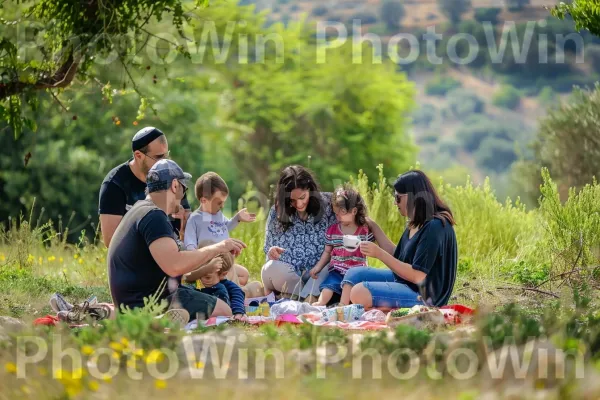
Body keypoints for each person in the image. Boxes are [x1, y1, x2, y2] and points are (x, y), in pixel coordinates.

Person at [107, 159, 246, 322]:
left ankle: (135, 317)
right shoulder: (154, 216)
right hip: (150, 301)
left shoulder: (139, 209)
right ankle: (157, 319)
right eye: (184, 188)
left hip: (130, 300)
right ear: (174, 185)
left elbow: (175, 260)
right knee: (224, 310)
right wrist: (219, 247)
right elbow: (175, 266)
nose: (183, 195)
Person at [341, 170, 457, 310]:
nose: (395, 203)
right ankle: (342, 309)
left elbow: (417, 275)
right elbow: (399, 256)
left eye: (397, 198)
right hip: (405, 282)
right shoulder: (416, 222)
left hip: (423, 296)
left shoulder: (434, 226)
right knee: (354, 273)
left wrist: (379, 254)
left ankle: (373, 311)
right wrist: (372, 225)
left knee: (360, 292)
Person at [99, 126, 190, 248]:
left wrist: (185, 222)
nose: (164, 162)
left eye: (166, 156)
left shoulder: (172, 176)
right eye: (158, 157)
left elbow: (189, 231)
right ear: (138, 155)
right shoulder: (114, 184)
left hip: (173, 254)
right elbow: (111, 241)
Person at [261, 165, 337, 300]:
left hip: (320, 273)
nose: (299, 204)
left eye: (303, 197)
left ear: (310, 190)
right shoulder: (276, 212)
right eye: (292, 200)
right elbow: (268, 252)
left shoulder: (330, 205)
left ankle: (299, 297)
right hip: (292, 276)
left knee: (333, 265)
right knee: (270, 268)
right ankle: (307, 297)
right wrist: (271, 253)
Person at [183, 172, 254, 286]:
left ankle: (231, 286)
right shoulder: (196, 218)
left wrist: (237, 218)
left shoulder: (218, 214)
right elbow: (190, 242)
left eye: (223, 202)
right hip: (209, 263)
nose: (222, 206)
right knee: (225, 278)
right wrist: (195, 259)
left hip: (225, 262)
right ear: (204, 200)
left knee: (244, 274)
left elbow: (226, 227)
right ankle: (228, 288)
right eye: (219, 203)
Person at [309, 186, 374, 306]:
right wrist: (318, 267)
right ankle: (320, 303)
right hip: (337, 269)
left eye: (342, 213)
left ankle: (342, 307)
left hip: (357, 271)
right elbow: (327, 252)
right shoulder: (333, 230)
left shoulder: (364, 231)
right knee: (328, 286)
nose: (338, 217)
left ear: (354, 211)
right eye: (336, 214)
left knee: (352, 289)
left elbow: (372, 249)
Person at [183, 240, 246, 321]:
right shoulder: (196, 281)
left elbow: (237, 295)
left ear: (222, 275)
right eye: (199, 271)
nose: (201, 279)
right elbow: (184, 281)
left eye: (207, 277)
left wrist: (238, 312)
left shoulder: (226, 285)